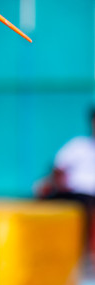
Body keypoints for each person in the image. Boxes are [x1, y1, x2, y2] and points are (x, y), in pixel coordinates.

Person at [39, 108, 95, 263]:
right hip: (75, 194)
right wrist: (59, 185)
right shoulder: (79, 145)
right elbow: (58, 169)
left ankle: (88, 255)